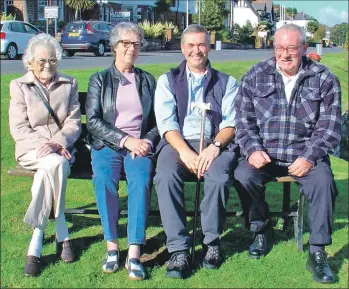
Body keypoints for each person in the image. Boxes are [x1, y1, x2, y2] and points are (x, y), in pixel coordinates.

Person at [234, 24, 341, 284]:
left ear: (304, 48)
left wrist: (309, 157)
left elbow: (330, 127)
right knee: (242, 175)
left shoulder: (324, 79)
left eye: (292, 48)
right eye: (279, 48)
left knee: (324, 182)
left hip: (305, 155)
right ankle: (261, 230)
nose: (285, 54)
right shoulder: (255, 75)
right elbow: (242, 121)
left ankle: (317, 251)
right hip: (266, 156)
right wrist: (253, 149)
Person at [154, 24, 239, 279]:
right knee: (166, 175)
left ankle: (211, 242)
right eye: (190, 45)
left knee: (219, 177)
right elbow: (166, 123)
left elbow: (230, 124)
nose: (196, 50)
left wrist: (214, 148)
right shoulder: (167, 81)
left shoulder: (227, 82)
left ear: (209, 47)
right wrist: (185, 153)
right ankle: (178, 249)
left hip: (214, 142)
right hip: (178, 142)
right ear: (182, 48)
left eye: (201, 44)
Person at [85, 22, 158, 280]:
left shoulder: (148, 80)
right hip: (108, 144)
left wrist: (147, 140)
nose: (131, 48)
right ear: (115, 46)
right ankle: (113, 247)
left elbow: (158, 121)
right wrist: (126, 140)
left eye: (136, 43)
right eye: (126, 43)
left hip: (140, 146)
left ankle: (135, 252)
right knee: (104, 179)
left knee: (140, 179)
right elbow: (93, 121)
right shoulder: (99, 80)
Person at [9, 33, 82, 277]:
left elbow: (73, 123)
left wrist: (57, 142)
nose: (47, 65)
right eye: (41, 61)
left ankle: (37, 239)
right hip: (32, 150)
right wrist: (46, 144)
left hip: (61, 151)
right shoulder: (19, 86)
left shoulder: (69, 84)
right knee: (54, 163)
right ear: (29, 62)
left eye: (52, 60)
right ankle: (61, 230)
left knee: (52, 166)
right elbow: (19, 128)